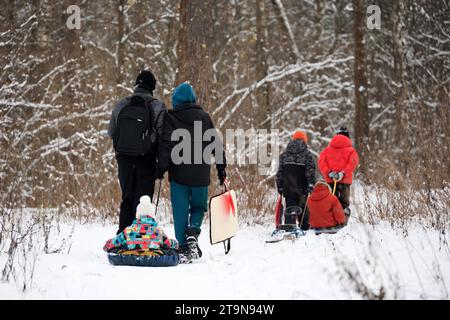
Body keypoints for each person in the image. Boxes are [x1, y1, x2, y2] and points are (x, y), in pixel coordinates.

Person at [156, 82, 226, 262]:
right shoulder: (204, 117)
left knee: (180, 212)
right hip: (200, 175)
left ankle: (183, 247)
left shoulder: (171, 118)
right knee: (198, 207)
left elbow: (165, 146)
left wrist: (160, 169)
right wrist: (221, 169)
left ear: (176, 101)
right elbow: (216, 146)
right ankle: (193, 232)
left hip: (179, 175)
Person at [108, 70, 167, 234]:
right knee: (144, 201)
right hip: (146, 160)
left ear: (136, 85)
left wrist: (122, 153)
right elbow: (164, 137)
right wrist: (161, 165)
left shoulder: (121, 105)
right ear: (152, 87)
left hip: (124, 160)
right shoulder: (158, 106)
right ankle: (140, 237)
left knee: (126, 198)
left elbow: (112, 132)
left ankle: (123, 235)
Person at [103, 195, 178, 253]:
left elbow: (115, 242)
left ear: (137, 215)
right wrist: (176, 244)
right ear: (152, 215)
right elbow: (169, 244)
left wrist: (107, 245)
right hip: (153, 254)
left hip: (132, 253)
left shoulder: (128, 231)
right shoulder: (158, 232)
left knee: (119, 246)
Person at [276, 130, 316, 230]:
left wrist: (280, 186)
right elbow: (310, 172)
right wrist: (311, 184)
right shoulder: (308, 155)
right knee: (303, 207)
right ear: (305, 141)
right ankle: (304, 227)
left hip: (288, 188)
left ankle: (289, 226)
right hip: (303, 188)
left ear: (292, 139)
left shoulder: (284, 155)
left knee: (289, 206)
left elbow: (280, 173)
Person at [318, 126, 359, 216]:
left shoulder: (327, 150)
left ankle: (330, 219)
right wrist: (343, 173)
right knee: (344, 203)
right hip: (345, 181)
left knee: (331, 201)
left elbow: (321, 162)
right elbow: (353, 163)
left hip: (331, 181)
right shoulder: (351, 151)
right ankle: (342, 218)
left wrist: (329, 173)